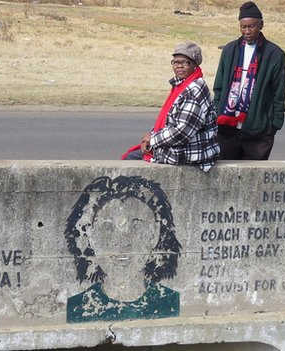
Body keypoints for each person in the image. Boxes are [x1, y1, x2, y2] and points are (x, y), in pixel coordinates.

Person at [64, 176, 181, 323]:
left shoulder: (171, 303)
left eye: (136, 226)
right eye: (107, 227)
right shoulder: (77, 308)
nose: (122, 242)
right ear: (90, 236)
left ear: (155, 233)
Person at [122, 42, 220, 172]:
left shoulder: (193, 90)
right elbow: (169, 120)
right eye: (175, 62)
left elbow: (182, 132)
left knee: (130, 161)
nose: (179, 66)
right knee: (135, 155)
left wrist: (153, 139)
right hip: (186, 148)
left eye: (185, 62)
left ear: (195, 65)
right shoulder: (183, 85)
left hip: (191, 154)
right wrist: (152, 136)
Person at [212, 1, 285, 160]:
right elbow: (218, 86)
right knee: (226, 176)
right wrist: (217, 111)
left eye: (251, 27)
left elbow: (278, 91)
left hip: (258, 130)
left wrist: (274, 124)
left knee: (253, 179)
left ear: (261, 25)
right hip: (227, 127)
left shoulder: (274, 54)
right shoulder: (230, 50)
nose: (247, 31)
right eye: (243, 27)